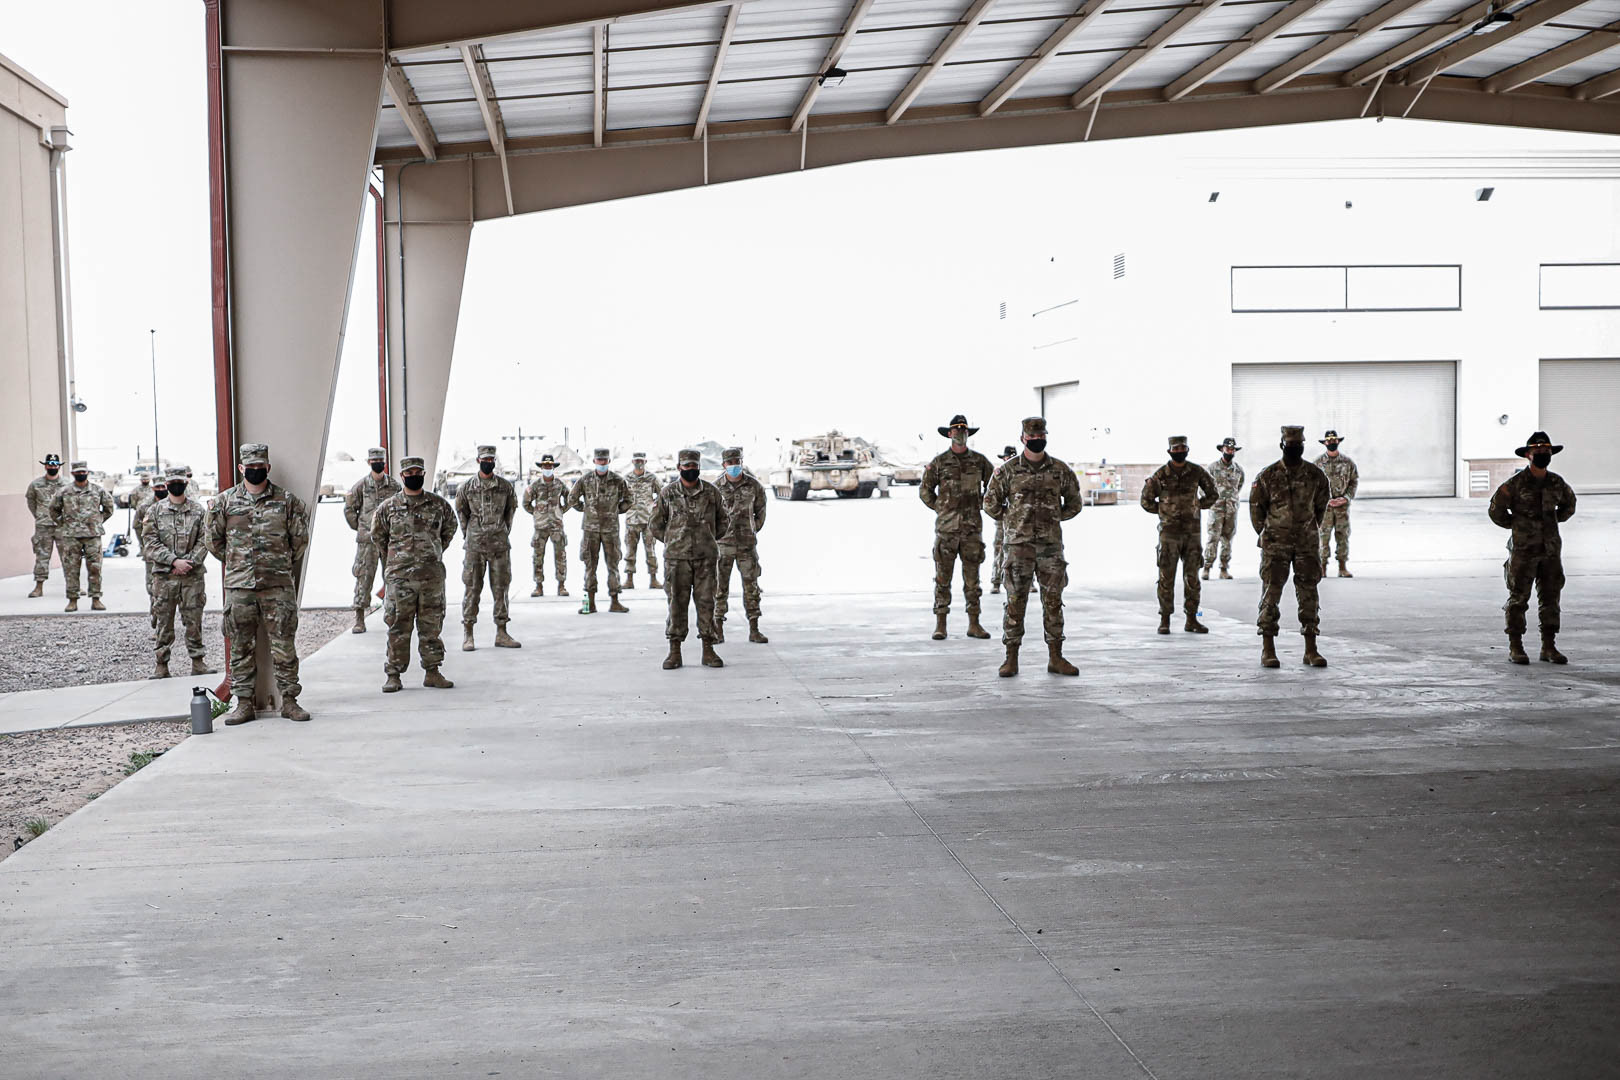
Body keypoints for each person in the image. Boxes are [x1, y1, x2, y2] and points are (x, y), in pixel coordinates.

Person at [206, 442, 311, 724]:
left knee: (284, 645)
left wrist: (276, 563)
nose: (255, 470)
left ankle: (289, 701)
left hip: (277, 585)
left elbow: (299, 541)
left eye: (260, 466)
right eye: (250, 466)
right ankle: (244, 704)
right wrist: (239, 562)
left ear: (268, 467)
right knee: (240, 646)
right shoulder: (224, 502)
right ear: (241, 468)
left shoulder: (287, 501)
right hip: (240, 587)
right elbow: (214, 542)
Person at [983, 417, 1082, 677]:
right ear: (1023, 439)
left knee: (1053, 602)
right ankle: (1011, 658)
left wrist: (1054, 517)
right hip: (1019, 547)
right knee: (1015, 602)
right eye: (1032, 437)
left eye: (1041, 436)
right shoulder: (1008, 471)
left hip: (1050, 547)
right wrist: (1013, 519)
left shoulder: (1060, 470)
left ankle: (1056, 657)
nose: (1037, 440)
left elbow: (1075, 503)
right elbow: (990, 503)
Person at [1488, 431, 1577, 665]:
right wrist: (1517, 525)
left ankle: (1549, 647)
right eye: (1538, 450)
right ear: (1528, 454)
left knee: (1551, 598)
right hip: (1523, 551)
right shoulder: (1515, 484)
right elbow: (1496, 511)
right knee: (1518, 598)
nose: (1542, 453)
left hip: (1550, 551)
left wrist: (1552, 521)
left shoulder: (1556, 482)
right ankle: (1516, 647)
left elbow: (1569, 505)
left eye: (1546, 450)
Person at [372, 456, 459, 692]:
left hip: (431, 578)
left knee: (431, 626)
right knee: (398, 626)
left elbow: (449, 529)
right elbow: (378, 537)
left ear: (423, 474)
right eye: (409, 473)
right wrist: (397, 559)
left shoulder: (438, 505)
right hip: (400, 579)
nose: (413, 476)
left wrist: (433, 551)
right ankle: (393, 674)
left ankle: (432, 671)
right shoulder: (388, 507)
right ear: (402, 476)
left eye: (417, 472)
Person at [1249, 425, 1330, 670]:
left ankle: (1311, 649)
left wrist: (1309, 528)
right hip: (1276, 545)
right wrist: (1268, 532)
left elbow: (1321, 507)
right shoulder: (1268, 475)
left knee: (1309, 593)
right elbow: (1256, 509)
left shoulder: (1315, 475)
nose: (1295, 448)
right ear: (1282, 445)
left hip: (1306, 543)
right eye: (1290, 445)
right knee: (1271, 593)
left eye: (1298, 445)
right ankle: (1268, 649)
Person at [650, 448, 727, 670]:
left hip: (706, 559)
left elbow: (724, 521)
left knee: (707, 603)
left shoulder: (711, 493)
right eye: (686, 466)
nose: (690, 469)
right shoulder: (668, 493)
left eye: (694, 466)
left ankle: (708, 649)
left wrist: (708, 539)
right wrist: (674, 541)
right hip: (677, 560)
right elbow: (655, 524)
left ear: (699, 467)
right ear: (679, 467)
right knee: (676, 603)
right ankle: (674, 651)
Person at [921, 414, 995, 641]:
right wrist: (941, 508)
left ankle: (974, 624)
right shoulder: (939, 462)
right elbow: (925, 490)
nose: (960, 433)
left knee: (973, 581)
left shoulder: (980, 462)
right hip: (946, 531)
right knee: (942, 580)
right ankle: (941, 624)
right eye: (956, 430)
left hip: (972, 530)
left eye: (964, 430)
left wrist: (983, 504)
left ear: (968, 433)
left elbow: (994, 487)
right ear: (949, 433)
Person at [140, 465, 216, 679]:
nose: (176, 485)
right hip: (165, 577)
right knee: (163, 620)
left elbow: (205, 540)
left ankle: (198, 662)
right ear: (166, 484)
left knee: (194, 619)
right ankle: (161, 665)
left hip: (192, 576)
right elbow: (150, 542)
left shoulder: (198, 511)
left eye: (179, 482)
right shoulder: (155, 511)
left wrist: (188, 562)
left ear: (186, 483)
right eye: (172, 482)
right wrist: (173, 561)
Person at [1140, 435, 1218, 634]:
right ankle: (1165, 620)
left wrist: (1198, 505)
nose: (1179, 452)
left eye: (1182, 448)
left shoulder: (1196, 472)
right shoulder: (1161, 475)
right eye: (1175, 449)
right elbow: (1146, 500)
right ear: (1169, 451)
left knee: (1192, 579)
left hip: (1192, 533)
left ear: (1187, 450)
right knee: (1166, 578)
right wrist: (1164, 511)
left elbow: (1213, 493)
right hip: (1169, 534)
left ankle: (1192, 619)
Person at [456, 444, 521, 650]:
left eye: (491, 460)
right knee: (472, 588)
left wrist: (502, 531)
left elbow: (510, 511)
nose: (488, 463)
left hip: (499, 545)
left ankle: (502, 632)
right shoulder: (467, 487)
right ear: (478, 460)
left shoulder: (505, 487)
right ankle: (468, 633)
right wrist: (470, 534)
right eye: (484, 460)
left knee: (501, 589)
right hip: (475, 546)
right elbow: (462, 514)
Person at [713, 446, 769, 644]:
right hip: (723, 545)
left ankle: (754, 629)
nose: (734, 466)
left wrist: (752, 529)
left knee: (751, 587)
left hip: (747, 546)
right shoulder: (716, 487)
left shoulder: (754, 485)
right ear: (724, 465)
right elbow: (710, 515)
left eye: (737, 462)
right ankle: (718, 629)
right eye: (730, 463)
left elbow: (760, 511)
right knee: (719, 588)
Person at [344, 447, 401, 634]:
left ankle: (392, 616)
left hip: (388, 540)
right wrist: (361, 528)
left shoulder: (394, 486)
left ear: (384, 462)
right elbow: (349, 510)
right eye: (374, 461)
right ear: (369, 462)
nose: (378, 463)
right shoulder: (361, 486)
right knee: (364, 578)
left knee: (393, 577)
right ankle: (359, 618)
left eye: (380, 461)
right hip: (367, 541)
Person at [569, 447, 631, 614]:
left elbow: (629, 499)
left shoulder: (618, 480)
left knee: (613, 565)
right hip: (591, 530)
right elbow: (572, 498)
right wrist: (586, 510)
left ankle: (615, 602)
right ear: (594, 461)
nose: (602, 463)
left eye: (604, 460)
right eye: (599, 460)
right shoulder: (585, 480)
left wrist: (616, 511)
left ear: (608, 461)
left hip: (611, 530)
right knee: (590, 566)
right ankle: (589, 604)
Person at [49, 460, 114, 612]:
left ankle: (96, 599)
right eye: (78, 472)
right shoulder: (64, 491)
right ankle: (72, 600)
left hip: (93, 535)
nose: (81, 474)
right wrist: (64, 523)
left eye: (83, 472)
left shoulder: (98, 490)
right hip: (71, 536)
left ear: (87, 473)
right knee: (71, 569)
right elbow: (53, 509)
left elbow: (109, 508)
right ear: (73, 473)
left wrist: (97, 521)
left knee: (95, 568)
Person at [522, 453, 570, 597]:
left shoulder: (560, 484)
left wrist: (561, 510)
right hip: (541, 526)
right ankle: (538, 586)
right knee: (538, 557)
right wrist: (536, 512)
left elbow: (570, 498)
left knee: (560, 555)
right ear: (541, 467)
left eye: (550, 466)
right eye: (545, 466)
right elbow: (526, 503)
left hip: (556, 525)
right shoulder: (535, 485)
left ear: (553, 467)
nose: (547, 468)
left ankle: (561, 585)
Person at [1315, 429, 1358, 578]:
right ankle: (1322, 568)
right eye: (1329, 441)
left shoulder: (1348, 463)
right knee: (1323, 537)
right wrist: (1322, 500)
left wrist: (1346, 498)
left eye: (1334, 440)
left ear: (1338, 441)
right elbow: (1312, 484)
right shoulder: (1318, 463)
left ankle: (1342, 567)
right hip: (1324, 508)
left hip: (1342, 507)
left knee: (1342, 536)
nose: (1331, 443)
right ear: (1324, 443)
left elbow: (1353, 482)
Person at [1202, 437, 1244, 580]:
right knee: (1213, 537)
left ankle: (1224, 569)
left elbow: (1238, 486)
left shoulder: (1238, 470)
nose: (1230, 451)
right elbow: (1203, 487)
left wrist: (1232, 499)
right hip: (1216, 509)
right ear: (1222, 449)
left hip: (1231, 509)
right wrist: (1210, 501)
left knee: (1228, 539)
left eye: (1232, 449)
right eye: (1227, 449)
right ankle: (1207, 567)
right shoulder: (1212, 468)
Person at [25, 453, 65, 597]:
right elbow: (31, 502)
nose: (52, 467)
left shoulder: (67, 484)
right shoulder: (35, 485)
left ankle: (74, 586)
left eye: (55, 465)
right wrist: (39, 516)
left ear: (59, 466)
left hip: (62, 526)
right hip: (43, 526)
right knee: (41, 557)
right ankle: (38, 587)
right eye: (49, 464)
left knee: (69, 557)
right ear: (45, 466)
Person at [623, 451, 662, 591]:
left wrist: (654, 506)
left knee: (650, 551)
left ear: (645, 462)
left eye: (641, 461)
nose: (638, 463)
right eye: (636, 461)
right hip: (632, 520)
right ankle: (629, 580)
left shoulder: (652, 478)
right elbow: (620, 496)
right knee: (630, 551)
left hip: (648, 521)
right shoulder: (626, 478)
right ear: (632, 462)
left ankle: (653, 579)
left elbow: (662, 494)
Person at [989, 445, 1016, 595]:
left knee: (1024, 550)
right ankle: (996, 582)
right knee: (999, 549)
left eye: (1010, 457)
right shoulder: (1000, 474)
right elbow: (991, 498)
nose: (1008, 460)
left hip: (1020, 520)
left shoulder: (1021, 473)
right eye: (1006, 457)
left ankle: (1029, 582)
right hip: (1003, 519)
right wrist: (1000, 514)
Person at [129, 474, 155, 556]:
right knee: (137, 527)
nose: (145, 481)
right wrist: (139, 508)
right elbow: (133, 502)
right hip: (140, 513)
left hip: (152, 513)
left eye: (147, 479)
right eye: (143, 479)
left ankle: (151, 548)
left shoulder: (153, 489)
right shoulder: (135, 490)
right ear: (140, 480)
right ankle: (142, 548)